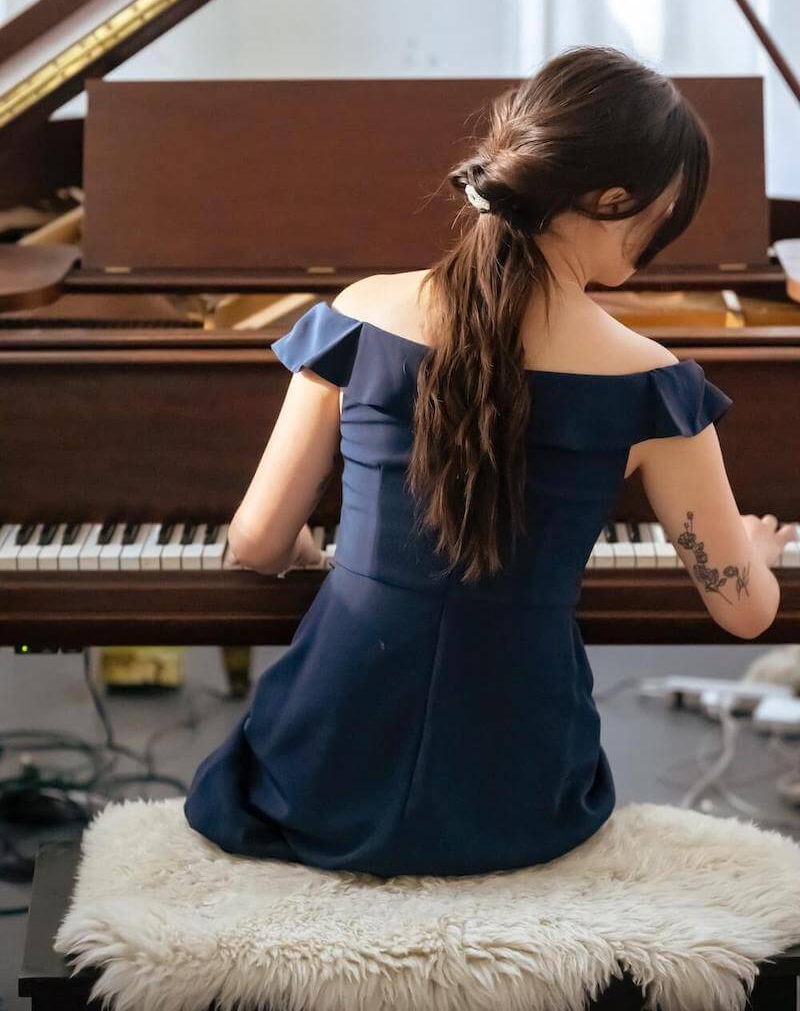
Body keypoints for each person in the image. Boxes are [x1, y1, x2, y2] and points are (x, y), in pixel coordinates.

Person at [183, 45, 797, 877]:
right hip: (519, 792)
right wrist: (753, 556)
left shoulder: (360, 315)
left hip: (319, 773)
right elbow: (745, 614)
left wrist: (305, 549)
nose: (664, 233)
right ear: (614, 199)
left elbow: (254, 543)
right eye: (666, 210)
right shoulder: (652, 384)